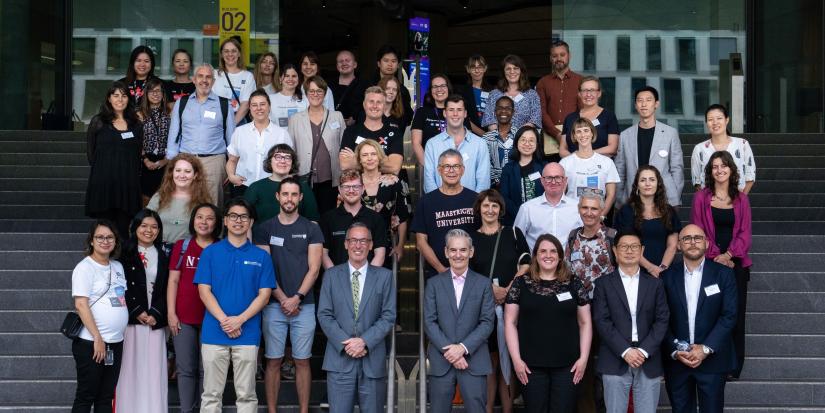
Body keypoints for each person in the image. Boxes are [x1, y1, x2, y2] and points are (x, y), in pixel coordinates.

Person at [195, 198, 275, 413]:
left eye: (243, 217)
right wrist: (225, 320)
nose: (238, 220)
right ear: (225, 221)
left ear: (250, 222)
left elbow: (265, 295)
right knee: (211, 394)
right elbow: (204, 291)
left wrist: (239, 320)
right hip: (214, 332)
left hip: (247, 333)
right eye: (233, 216)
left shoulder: (262, 256)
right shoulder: (210, 252)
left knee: (247, 395)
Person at [252, 176, 324, 413]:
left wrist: (297, 298)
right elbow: (265, 268)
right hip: (273, 305)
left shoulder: (311, 228)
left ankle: (303, 411)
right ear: (278, 196)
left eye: (294, 194)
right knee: (273, 360)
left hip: (305, 304)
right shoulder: (264, 229)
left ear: (301, 198)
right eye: (285, 194)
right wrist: (283, 298)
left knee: (302, 361)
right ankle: (272, 410)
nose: (289, 199)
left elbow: (314, 268)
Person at [504, 233, 592, 413]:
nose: (548, 255)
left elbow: (585, 323)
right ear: (535, 255)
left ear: (560, 256)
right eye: (543, 251)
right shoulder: (520, 283)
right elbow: (510, 323)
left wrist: (583, 359)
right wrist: (516, 360)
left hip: (568, 365)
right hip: (530, 367)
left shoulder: (574, 283)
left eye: (553, 251)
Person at [317, 222, 397, 413]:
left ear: (371, 245)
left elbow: (388, 315)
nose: (358, 245)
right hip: (339, 360)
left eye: (363, 241)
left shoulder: (385, 277)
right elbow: (324, 314)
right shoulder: (331, 276)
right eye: (353, 240)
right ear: (346, 244)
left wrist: (364, 341)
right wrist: (347, 344)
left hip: (372, 361)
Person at [661, 224, 738, 413]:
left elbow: (729, 315)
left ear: (707, 243)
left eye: (698, 238)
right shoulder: (666, 277)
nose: (693, 242)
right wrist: (676, 350)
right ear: (679, 245)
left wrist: (705, 349)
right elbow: (660, 318)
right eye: (687, 238)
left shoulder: (724, 274)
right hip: (678, 361)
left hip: (713, 360)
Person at [592, 231, 669, 413]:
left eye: (634, 246)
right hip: (614, 356)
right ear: (615, 251)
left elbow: (662, 320)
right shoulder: (603, 284)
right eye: (623, 246)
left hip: (648, 357)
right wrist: (625, 351)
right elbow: (601, 320)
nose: (629, 250)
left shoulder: (655, 284)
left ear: (642, 250)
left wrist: (643, 351)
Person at [691, 150, 752, 380]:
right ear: (710, 171)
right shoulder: (701, 198)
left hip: (736, 265)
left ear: (731, 169)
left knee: (735, 314)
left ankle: (734, 365)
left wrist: (729, 255)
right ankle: (712, 359)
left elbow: (746, 234)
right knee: (713, 313)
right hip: (709, 263)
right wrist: (717, 256)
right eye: (715, 166)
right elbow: (698, 231)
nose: (719, 170)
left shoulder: (742, 199)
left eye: (723, 166)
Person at [469, 189, 530, 413]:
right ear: (479, 209)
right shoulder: (471, 238)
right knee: (490, 363)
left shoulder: (513, 233)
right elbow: (466, 272)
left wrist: (508, 289)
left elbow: (526, 263)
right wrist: (491, 289)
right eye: (486, 205)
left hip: (512, 307)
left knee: (510, 363)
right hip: (482, 310)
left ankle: (507, 410)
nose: (490, 210)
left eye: (494, 206)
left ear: (500, 209)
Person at [424, 229, 496, 412]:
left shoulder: (484, 284)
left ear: (471, 252)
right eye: (453, 250)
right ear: (446, 252)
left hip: (474, 360)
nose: (458, 255)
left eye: (463, 250)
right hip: (442, 361)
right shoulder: (433, 284)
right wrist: (451, 351)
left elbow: (487, 322)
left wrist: (462, 348)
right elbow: (429, 322)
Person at [167, 203, 222, 413]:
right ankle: (186, 410)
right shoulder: (182, 246)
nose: (204, 222)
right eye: (200, 217)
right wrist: (171, 313)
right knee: (185, 369)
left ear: (216, 223)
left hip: (212, 318)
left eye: (209, 218)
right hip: (183, 317)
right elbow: (173, 281)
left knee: (207, 369)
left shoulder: (222, 247)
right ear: (193, 220)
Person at [564, 192, 616, 413]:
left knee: (605, 365)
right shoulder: (573, 236)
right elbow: (565, 271)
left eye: (594, 208)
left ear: (602, 211)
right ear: (579, 209)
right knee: (582, 365)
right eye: (585, 208)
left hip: (608, 311)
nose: (589, 212)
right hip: (578, 311)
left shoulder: (613, 236)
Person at [70, 220, 128, 413]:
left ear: (115, 241)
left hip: (115, 342)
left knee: (105, 397)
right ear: (92, 241)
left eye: (110, 237)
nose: (105, 241)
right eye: (100, 237)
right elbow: (80, 304)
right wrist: (97, 338)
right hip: (92, 343)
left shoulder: (118, 266)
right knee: (86, 396)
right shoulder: (85, 267)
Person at [117, 209, 170, 413]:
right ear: (135, 227)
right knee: (129, 370)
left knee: (154, 371)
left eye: (154, 226)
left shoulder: (164, 254)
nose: (149, 230)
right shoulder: (123, 253)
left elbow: (167, 287)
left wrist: (156, 312)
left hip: (154, 321)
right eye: (144, 225)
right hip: (131, 321)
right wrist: (137, 310)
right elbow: (117, 285)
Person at [166, 63, 236, 207]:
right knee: (185, 204)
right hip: (186, 162)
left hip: (214, 162)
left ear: (213, 81)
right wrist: (172, 165)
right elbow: (173, 134)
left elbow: (232, 140)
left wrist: (231, 167)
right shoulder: (182, 103)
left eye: (208, 77)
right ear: (194, 79)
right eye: (200, 76)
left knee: (212, 205)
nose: (204, 80)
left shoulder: (224, 104)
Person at [85, 81, 143, 237]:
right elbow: (91, 154)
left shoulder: (136, 124)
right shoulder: (98, 122)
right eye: (116, 95)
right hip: (104, 185)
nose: (120, 99)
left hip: (127, 185)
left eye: (124, 96)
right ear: (109, 99)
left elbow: (138, 154)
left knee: (124, 232)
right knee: (105, 231)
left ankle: (122, 261)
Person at [411, 149, 478, 278]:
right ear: (439, 170)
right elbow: (421, 242)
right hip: (438, 275)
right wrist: (441, 270)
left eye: (456, 166)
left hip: (472, 275)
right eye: (446, 166)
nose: (451, 170)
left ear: (463, 170)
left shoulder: (475, 199)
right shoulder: (426, 202)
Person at [614, 86, 683, 207]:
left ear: (656, 104)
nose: (644, 104)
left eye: (648, 100)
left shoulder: (670, 133)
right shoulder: (625, 135)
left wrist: (674, 195)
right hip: (633, 198)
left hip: (664, 198)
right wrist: (620, 199)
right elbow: (620, 170)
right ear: (635, 105)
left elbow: (677, 168)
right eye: (640, 100)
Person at [289, 75, 345, 214]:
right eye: (311, 91)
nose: (315, 94)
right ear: (306, 94)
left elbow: (344, 147)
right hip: (304, 178)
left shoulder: (337, 116)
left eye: (319, 91)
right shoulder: (295, 119)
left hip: (331, 178)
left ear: (325, 94)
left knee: (329, 217)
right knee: (308, 217)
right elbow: (291, 151)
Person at [613, 166, 682, 277]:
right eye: (643, 180)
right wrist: (650, 268)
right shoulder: (626, 211)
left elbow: (672, 245)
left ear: (658, 184)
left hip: (663, 271)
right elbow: (626, 245)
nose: (647, 183)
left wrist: (662, 268)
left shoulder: (669, 211)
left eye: (652, 179)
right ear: (637, 185)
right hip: (634, 271)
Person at [226, 89, 294, 198]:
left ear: (269, 107)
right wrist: (231, 176)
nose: (259, 108)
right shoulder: (240, 132)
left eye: (262, 104)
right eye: (254, 105)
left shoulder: (282, 134)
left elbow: (289, 164)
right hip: (243, 186)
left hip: (272, 187)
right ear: (250, 108)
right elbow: (232, 160)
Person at [356, 140, 411, 265]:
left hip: (385, 243)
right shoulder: (353, 182)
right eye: (365, 155)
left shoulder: (393, 181)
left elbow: (402, 216)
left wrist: (400, 246)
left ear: (379, 157)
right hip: (356, 245)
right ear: (359, 159)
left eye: (373, 154)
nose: (369, 158)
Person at [423, 95, 491, 193]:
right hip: (440, 206)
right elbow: (429, 181)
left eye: (459, 110)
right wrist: (437, 203)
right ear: (445, 113)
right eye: (451, 110)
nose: (455, 114)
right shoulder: (432, 144)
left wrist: (475, 206)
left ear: (465, 114)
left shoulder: (480, 144)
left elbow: (483, 181)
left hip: (471, 205)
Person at [320, 169, 387, 268]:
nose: (351, 191)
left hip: (368, 280)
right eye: (346, 187)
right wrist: (335, 278)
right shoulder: (328, 219)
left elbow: (380, 254)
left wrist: (368, 279)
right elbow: (323, 254)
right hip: (337, 280)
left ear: (363, 188)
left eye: (355, 186)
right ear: (339, 189)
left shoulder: (376, 218)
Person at [147, 153, 213, 249]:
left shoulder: (202, 200)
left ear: (195, 175)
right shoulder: (160, 196)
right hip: (159, 250)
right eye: (178, 170)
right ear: (172, 173)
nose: (182, 175)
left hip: (188, 252)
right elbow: (144, 221)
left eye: (187, 171)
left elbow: (210, 232)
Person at [559, 117, 620, 218]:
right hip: (571, 217)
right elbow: (560, 194)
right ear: (574, 136)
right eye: (578, 131)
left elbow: (611, 195)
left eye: (586, 130)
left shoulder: (607, 162)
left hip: (597, 217)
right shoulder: (565, 163)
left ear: (592, 133)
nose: (583, 135)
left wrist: (601, 216)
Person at [514, 162, 582, 251]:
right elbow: (516, 240)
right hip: (536, 264)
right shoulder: (527, 209)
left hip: (569, 263)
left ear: (565, 181)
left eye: (558, 177)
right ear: (542, 181)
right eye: (549, 178)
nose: (553, 182)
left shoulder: (578, 208)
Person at [245, 144, 320, 224]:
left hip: (295, 235)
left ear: (292, 163)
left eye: (287, 157)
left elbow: (313, 221)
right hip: (261, 236)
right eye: (278, 157)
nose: (283, 161)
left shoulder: (303, 187)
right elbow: (244, 218)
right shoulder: (255, 187)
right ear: (270, 161)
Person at [691, 104, 756, 194]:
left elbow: (750, 176)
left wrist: (741, 200)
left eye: (719, 118)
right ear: (706, 123)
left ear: (727, 120)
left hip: (737, 201)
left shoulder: (742, 144)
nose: (715, 122)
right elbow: (697, 181)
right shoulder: (699, 149)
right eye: (710, 119)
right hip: (709, 203)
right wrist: (707, 201)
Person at [340, 86, 404, 174]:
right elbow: (345, 165)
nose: (375, 106)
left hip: (385, 186)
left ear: (384, 106)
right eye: (371, 102)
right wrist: (384, 159)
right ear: (364, 104)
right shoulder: (350, 132)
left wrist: (357, 158)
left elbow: (394, 167)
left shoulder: (395, 133)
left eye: (379, 102)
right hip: (358, 186)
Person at [536, 40, 583, 162]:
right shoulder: (543, 82)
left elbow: (583, 111)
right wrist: (557, 134)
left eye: (562, 55)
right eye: (554, 56)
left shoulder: (580, 81)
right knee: (552, 177)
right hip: (550, 141)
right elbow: (541, 111)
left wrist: (572, 134)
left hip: (575, 138)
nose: (559, 58)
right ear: (550, 58)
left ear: (569, 56)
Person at [559, 76, 619, 158]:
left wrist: (586, 155)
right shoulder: (570, 118)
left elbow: (613, 148)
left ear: (599, 93)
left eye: (592, 90)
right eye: (584, 90)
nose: (588, 94)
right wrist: (575, 159)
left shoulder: (609, 116)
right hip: (574, 167)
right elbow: (562, 150)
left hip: (600, 167)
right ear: (579, 94)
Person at [411, 74, 463, 165]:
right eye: (435, 87)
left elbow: (467, 141)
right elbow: (416, 143)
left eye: (443, 86)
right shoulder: (422, 112)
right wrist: (429, 167)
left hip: (457, 166)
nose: (439, 89)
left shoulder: (458, 110)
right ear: (430, 91)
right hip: (430, 164)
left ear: (448, 88)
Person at [481, 55, 541, 132]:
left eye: (515, 68)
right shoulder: (494, 94)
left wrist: (518, 136)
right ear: (503, 72)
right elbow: (489, 119)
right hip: (498, 140)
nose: (512, 72)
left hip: (524, 140)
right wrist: (502, 138)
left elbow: (535, 119)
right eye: (508, 69)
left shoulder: (532, 95)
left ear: (521, 71)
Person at [499, 126, 545, 225]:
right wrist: (521, 215)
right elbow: (504, 197)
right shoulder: (508, 169)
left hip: (541, 220)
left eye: (531, 140)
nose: (527, 144)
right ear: (516, 143)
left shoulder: (544, 167)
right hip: (515, 221)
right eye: (523, 140)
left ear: (537, 144)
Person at [138, 77, 171, 202]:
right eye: (152, 91)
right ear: (146, 94)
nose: (155, 94)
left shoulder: (170, 113)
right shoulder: (139, 115)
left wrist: (166, 160)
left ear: (163, 94)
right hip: (145, 161)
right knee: (145, 198)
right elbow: (137, 141)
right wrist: (145, 160)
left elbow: (175, 138)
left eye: (158, 91)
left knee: (163, 197)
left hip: (166, 160)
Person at [212, 38, 256, 125]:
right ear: (221, 54)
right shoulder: (214, 74)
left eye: (234, 51)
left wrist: (231, 125)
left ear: (239, 53)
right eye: (226, 51)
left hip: (238, 121)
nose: (230, 54)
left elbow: (246, 104)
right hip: (216, 121)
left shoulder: (247, 76)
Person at [482, 96, 518, 188]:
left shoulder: (520, 135)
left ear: (513, 112)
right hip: (495, 186)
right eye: (500, 108)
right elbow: (485, 163)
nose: (503, 111)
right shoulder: (486, 138)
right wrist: (497, 181)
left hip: (517, 182)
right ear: (494, 112)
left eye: (508, 108)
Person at [330, 50, 366, 126]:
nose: (344, 63)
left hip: (357, 128)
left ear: (355, 64)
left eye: (347, 60)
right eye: (341, 61)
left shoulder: (364, 85)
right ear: (337, 66)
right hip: (333, 127)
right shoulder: (329, 85)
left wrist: (356, 118)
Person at [459, 54, 492, 136]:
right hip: (470, 135)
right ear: (468, 69)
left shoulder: (493, 91)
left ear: (485, 68)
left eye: (480, 67)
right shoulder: (462, 92)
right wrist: (484, 135)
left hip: (492, 135)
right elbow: (463, 116)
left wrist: (492, 135)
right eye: (473, 67)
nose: (477, 70)